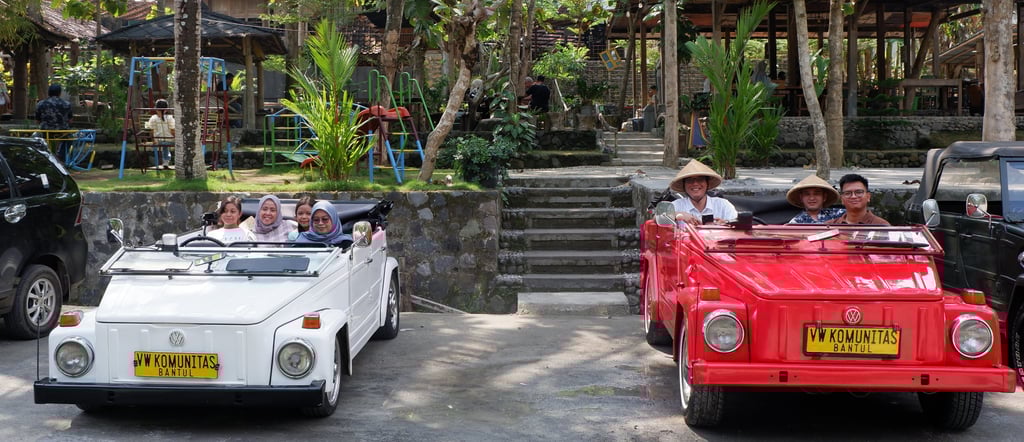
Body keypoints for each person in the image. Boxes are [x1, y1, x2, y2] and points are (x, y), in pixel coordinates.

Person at [669, 160, 738, 225]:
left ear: (707, 183)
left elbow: (738, 223)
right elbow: (662, 216)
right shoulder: (676, 206)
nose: (695, 183)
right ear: (684, 185)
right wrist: (678, 215)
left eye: (700, 179)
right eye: (690, 180)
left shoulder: (723, 205)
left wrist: (726, 223)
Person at [826, 173, 891, 225]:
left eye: (859, 192)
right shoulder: (830, 226)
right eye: (848, 193)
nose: (853, 196)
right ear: (842, 199)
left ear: (868, 196)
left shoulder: (881, 226)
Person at [35, 83, 73, 159]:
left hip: (45, 132)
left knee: (35, 138)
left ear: (49, 92)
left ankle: (43, 156)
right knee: (70, 138)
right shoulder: (67, 104)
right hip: (62, 132)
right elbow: (70, 120)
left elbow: (37, 120)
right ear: (59, 93)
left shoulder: (41, 104)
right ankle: (61, 157)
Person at [145, 99, 175, 168]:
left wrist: (153, 140)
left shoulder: (153, 118)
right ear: (166, 109)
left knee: (164, 144)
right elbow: (173, 131)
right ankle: (166, 160)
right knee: (166, 144)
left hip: (158, 140)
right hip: (169, 140)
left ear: (156, 109)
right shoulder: (169, 118)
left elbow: (151, 130)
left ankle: (165, 161)